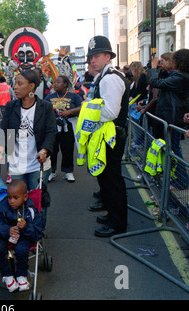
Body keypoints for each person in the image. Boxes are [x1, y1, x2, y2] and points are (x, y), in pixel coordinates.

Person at [0, 69, 56, 230]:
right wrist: (0, 151)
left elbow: (51, 132)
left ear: (31, 87)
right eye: (15, 83)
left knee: (37, 200)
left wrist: (44, 151)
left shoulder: (46, 107)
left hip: (38, 163)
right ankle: (17, 232)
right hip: (16, 164)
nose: (15, 87)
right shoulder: (11, 106)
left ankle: (37, 232)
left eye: (20, 84)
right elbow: (4, 131)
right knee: (15, 199)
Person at [86, 36, 130, 237]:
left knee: (112, 179)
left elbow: (110, 112)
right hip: (109, 132)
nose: (92, 61)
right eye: (91, 57)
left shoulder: (110, 78)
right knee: (107, 177)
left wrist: (88, 114)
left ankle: (117, 222)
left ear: (107, 56)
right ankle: (113, 213)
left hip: (111, 133)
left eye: (96, 56)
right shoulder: (105, 76)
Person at [150, 49, 189, 190]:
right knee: (173, 149)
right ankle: (178, 178)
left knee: (175, 150)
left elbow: (155, 82)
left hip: (174, 118)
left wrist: (153, 68)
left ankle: (183, 182)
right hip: (172, 117)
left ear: (179, 61)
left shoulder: (181, 77)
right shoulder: (181, 75)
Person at [0, 179, 43, 292]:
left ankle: (21, 275)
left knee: (22, 250)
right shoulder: (2, 209)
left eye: (15, 198)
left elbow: (38, 232)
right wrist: (7, 229)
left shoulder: (31, 211)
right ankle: (7, 276)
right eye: (9, 197)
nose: (11, 201)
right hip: (5, 237)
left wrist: (26, 226)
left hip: (24, 237)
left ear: (25, 197)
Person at [45, 75, 82, 183]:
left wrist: (70, 112)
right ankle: (51, 171)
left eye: (58, 82)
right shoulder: (49, 97)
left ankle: (68, 171)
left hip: (69, 125)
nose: (55, 84)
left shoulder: (73, 96)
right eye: (55, 82)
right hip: (53, 126)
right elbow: (43, 108)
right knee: (52, 149)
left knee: (67, 148)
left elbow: (81, 107)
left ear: (65, 84)